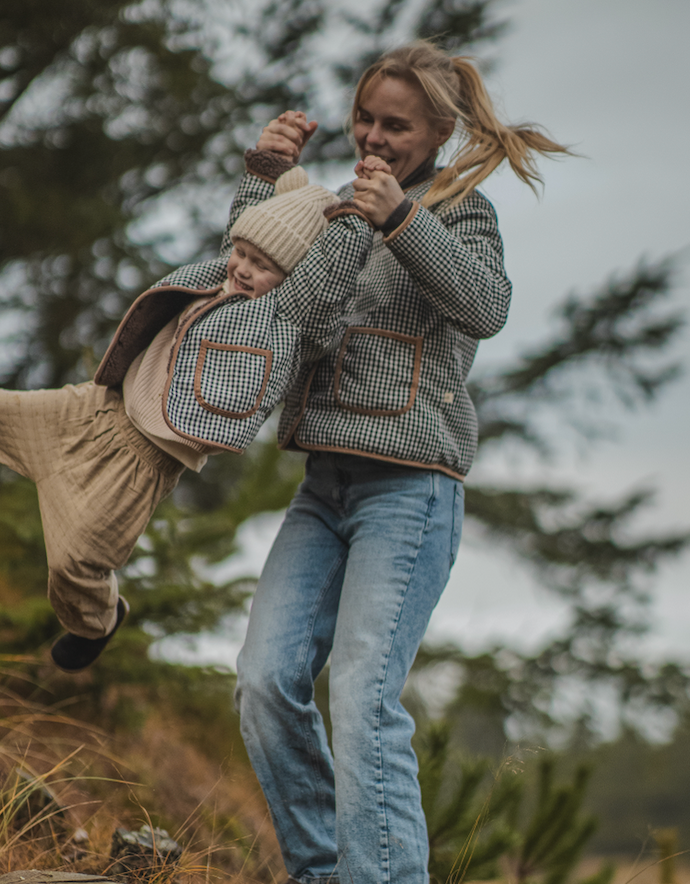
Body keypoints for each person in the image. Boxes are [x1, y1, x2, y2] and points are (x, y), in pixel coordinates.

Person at [230, 40, 573, 884]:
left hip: (411, 494)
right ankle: (323, 873)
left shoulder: (459, 209)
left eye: (397, 126)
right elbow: (261, 291)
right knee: (264, 684)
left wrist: (399, 218)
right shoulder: (330, 206)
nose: (375, 139)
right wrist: (261, 180)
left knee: (362, 697)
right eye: (365, 120)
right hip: (323, 485)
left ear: (439, 130)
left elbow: (486, 305)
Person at [0, 164, 375, 673]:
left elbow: (326, 273)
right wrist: (270, 163)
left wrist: (355, 210)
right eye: (244, 254)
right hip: (92, 409)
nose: (244, 269)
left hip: (139, 463)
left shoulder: (287, 315)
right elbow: (245, 224)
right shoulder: (219, 273)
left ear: (294, 280)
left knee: (74, 562)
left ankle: (97, 623)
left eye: (264, 266)